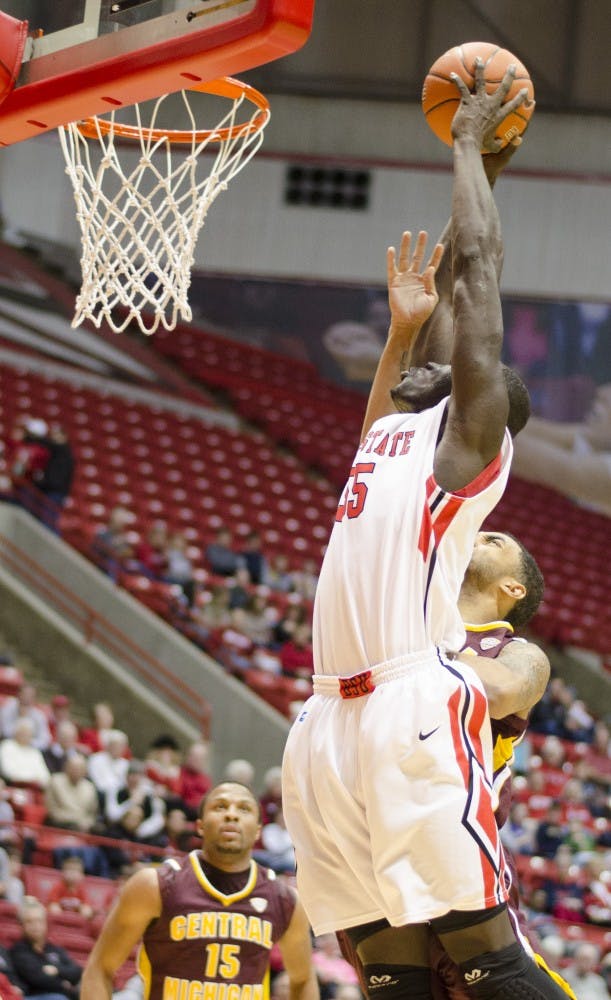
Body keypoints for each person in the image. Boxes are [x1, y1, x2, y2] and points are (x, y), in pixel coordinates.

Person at [282, 63, 568, 1000]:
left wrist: (464, 152)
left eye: (447, 361)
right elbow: (442, 305)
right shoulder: (394, 438)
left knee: (483, 964)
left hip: (410, 703)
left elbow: (478, 283)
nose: (433, 355)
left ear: (470, 398)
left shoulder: (464, 452)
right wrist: (407, 327)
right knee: (388, 976)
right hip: (327, 715)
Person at [80, 781, 319, 1000]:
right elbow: (100, 968)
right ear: (200, 826)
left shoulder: (284, 899)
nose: (231, 815)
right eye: (220, 806)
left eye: (244, 809)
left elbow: (303, 978)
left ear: (258, 831)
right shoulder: (154, 885)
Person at [10, 895, 82, 1000]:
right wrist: (63, 984)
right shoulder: (18, 951)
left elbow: (77, 971)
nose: (36, 926)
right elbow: (38, 979)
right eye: (30, 921)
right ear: (21, 925)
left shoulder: (54, 949)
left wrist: (57, 970)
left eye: (39, 921)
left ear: (45, 923)